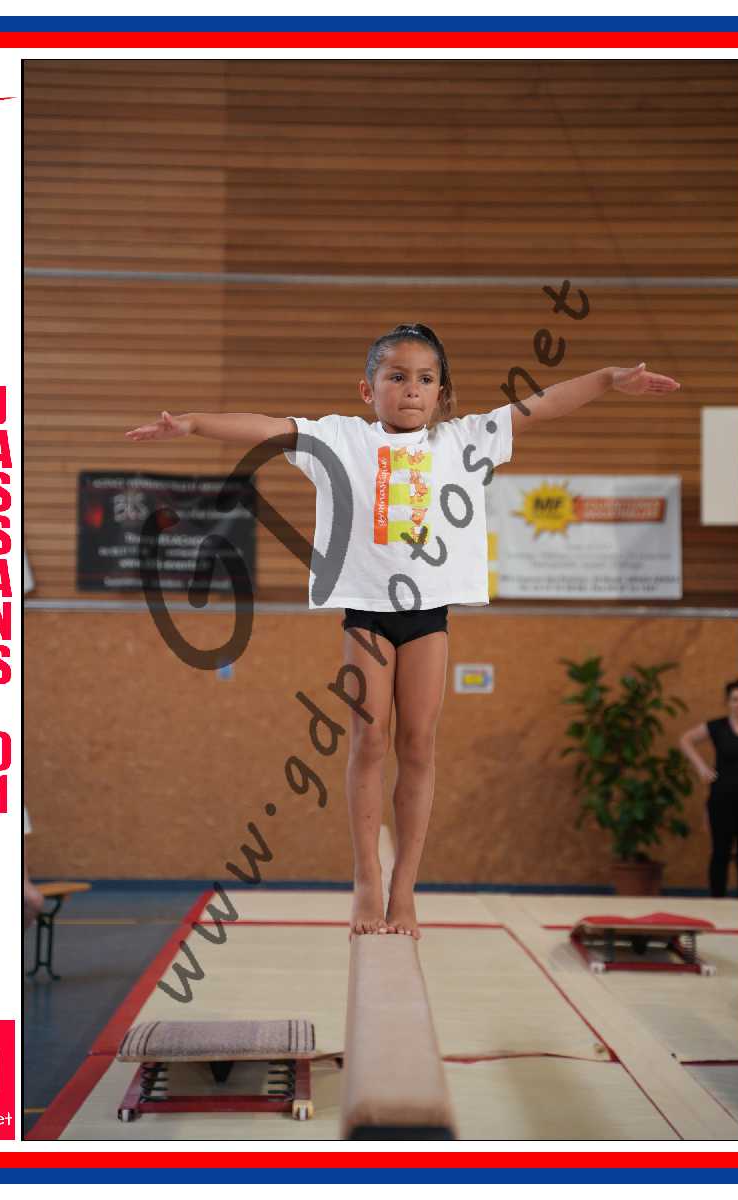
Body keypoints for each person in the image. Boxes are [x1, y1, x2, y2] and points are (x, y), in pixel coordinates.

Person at [125, 323, 680, 937]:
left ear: (441, 391)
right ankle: (367, 879)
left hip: (428, 614)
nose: (411, 389)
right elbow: (265, 426)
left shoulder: (465, 439)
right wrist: (193, 424)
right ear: (368, 390)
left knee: (418, 746)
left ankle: (405, 888)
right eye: (397, 377)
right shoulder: (339, 439)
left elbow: (541, 407)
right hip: (366, 610)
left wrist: (607, 379)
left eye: (425, 378)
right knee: (370, 741)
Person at [679, 678, 738, 897]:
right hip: (721, 797)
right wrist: (701, 768)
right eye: (735, 699)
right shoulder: (717, 727)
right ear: (728, 702)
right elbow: (686, 740)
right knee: (720, 850)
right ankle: (717, 901)